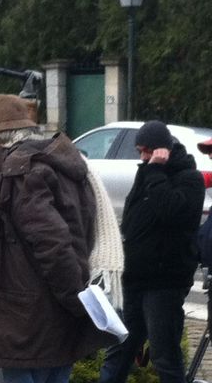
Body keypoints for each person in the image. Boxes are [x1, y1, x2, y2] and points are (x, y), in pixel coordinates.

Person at [0, 94, 114, 383]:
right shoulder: (60, 165)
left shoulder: (23, 173)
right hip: (52, 322)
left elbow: (53, 245)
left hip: (27, 325)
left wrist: (75, 298)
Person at [98, 120, 205, 383]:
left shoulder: (189, 179)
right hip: (134, 279)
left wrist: (156, 171)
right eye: (140, 152)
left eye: (148, 151)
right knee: (120, 349)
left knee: (164, 356)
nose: (144, 157)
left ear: (162, 149)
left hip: (164, 282)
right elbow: (134, 218)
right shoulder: (145, 173)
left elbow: (170, 210)